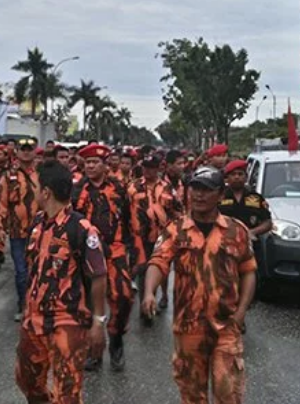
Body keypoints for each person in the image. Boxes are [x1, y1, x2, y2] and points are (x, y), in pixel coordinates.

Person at [142, 166, 257, 404]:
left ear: (220, 194)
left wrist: (241, 312)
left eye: (206, 190)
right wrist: (148, 293)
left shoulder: (236, 230)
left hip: (226, 325)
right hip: (188, 327)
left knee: (228, 391)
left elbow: (248, 271)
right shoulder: (175, 230)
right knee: (192, 393)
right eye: (195, 189)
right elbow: (158, 262)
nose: (199, 195)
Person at [15, 162, 108, 404]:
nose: (33, 191)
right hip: (33, 321)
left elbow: (98, 276)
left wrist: (99, 321)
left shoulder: (82, 229)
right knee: (27, 381)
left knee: (68, 393)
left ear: (46, 192)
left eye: (35, 187)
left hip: (67, 323)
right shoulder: (37, 223)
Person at [72, 143, 133, 372]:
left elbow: (129, 219)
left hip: (115, 249)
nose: (90, 166)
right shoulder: (77, 190)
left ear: (105, 165)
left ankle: (116, 339)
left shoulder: (119, 188)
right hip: (86, 252)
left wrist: (133, 250)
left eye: (94, 162)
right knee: (88, 303)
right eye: (87, 162)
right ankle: (94, 351)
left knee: (123, 296)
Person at [0, 138, 42, 321]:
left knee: (38, 270)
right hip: (18, 232)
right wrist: (0, 227)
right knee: (21, 271)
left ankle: (37, 304)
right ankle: (23, 305)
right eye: (22, 149)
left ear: (35, 152)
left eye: (29, 149)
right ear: (16, 152)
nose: (26, 152)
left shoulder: (43, 174)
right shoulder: (9, 176)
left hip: (41, 230)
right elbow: (2, 203)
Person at [128, 155, 172, 314]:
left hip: (162, 236)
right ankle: (145, 304)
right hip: (139, 237)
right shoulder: (133, 187)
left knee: (162, 267)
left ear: (158, 168)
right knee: (142, 269)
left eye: (151, 167)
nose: (147, 171)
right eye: (145, 167)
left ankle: (164, 296)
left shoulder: (167, 187)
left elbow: (177, 210)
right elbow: (125, 211)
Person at [218, 160, 272, 239]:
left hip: (252, 243)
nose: (237, 177)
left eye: (240, 174)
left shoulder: (256, 198)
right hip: (224, 241)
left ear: (246, 178)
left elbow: (267, 222)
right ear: (227, 178)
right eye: (233, 174)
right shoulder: (219, 197)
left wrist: (252, 232)